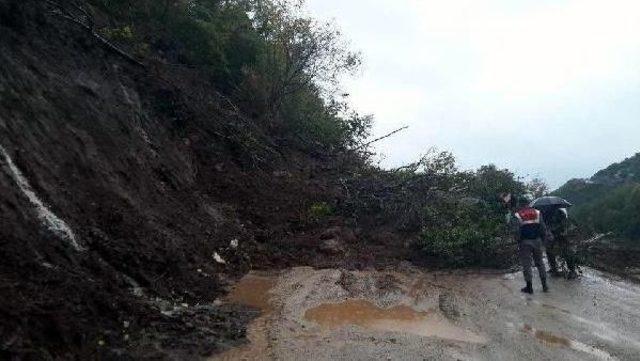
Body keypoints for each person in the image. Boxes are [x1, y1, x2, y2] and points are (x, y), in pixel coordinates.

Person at [509, 195, 549, 294]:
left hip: (525, 242)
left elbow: (516, 231)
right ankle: (545, 286)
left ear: (520, 204)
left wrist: (518, 241)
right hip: (537, 241)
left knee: (526, 264)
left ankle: (529, 287)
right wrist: (543, 240)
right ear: (528, 203)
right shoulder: (537, 212)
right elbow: (543, 228)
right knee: (540, 263)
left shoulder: (518, 215)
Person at [544, 207, 578, 279]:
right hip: (555, 240)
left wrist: (563, 233)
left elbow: (570, 229)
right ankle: (554, 269)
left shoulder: (562, 216)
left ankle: (572, 271)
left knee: (568, 253)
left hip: (564, 240)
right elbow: (548, 229)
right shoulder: (549, 216)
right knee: (549, 251)